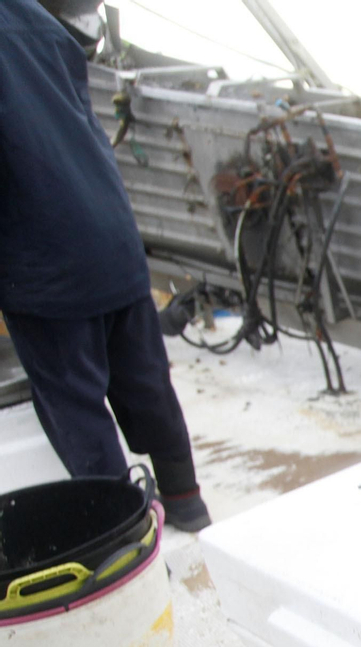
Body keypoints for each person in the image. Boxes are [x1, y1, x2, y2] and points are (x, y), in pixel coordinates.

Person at [0, 0, 210, 530]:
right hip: (112, 236)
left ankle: (125, 535)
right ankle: (187, 502)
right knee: (146, 383)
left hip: (45, 265)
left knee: (76, 406)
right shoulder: (37, 19)